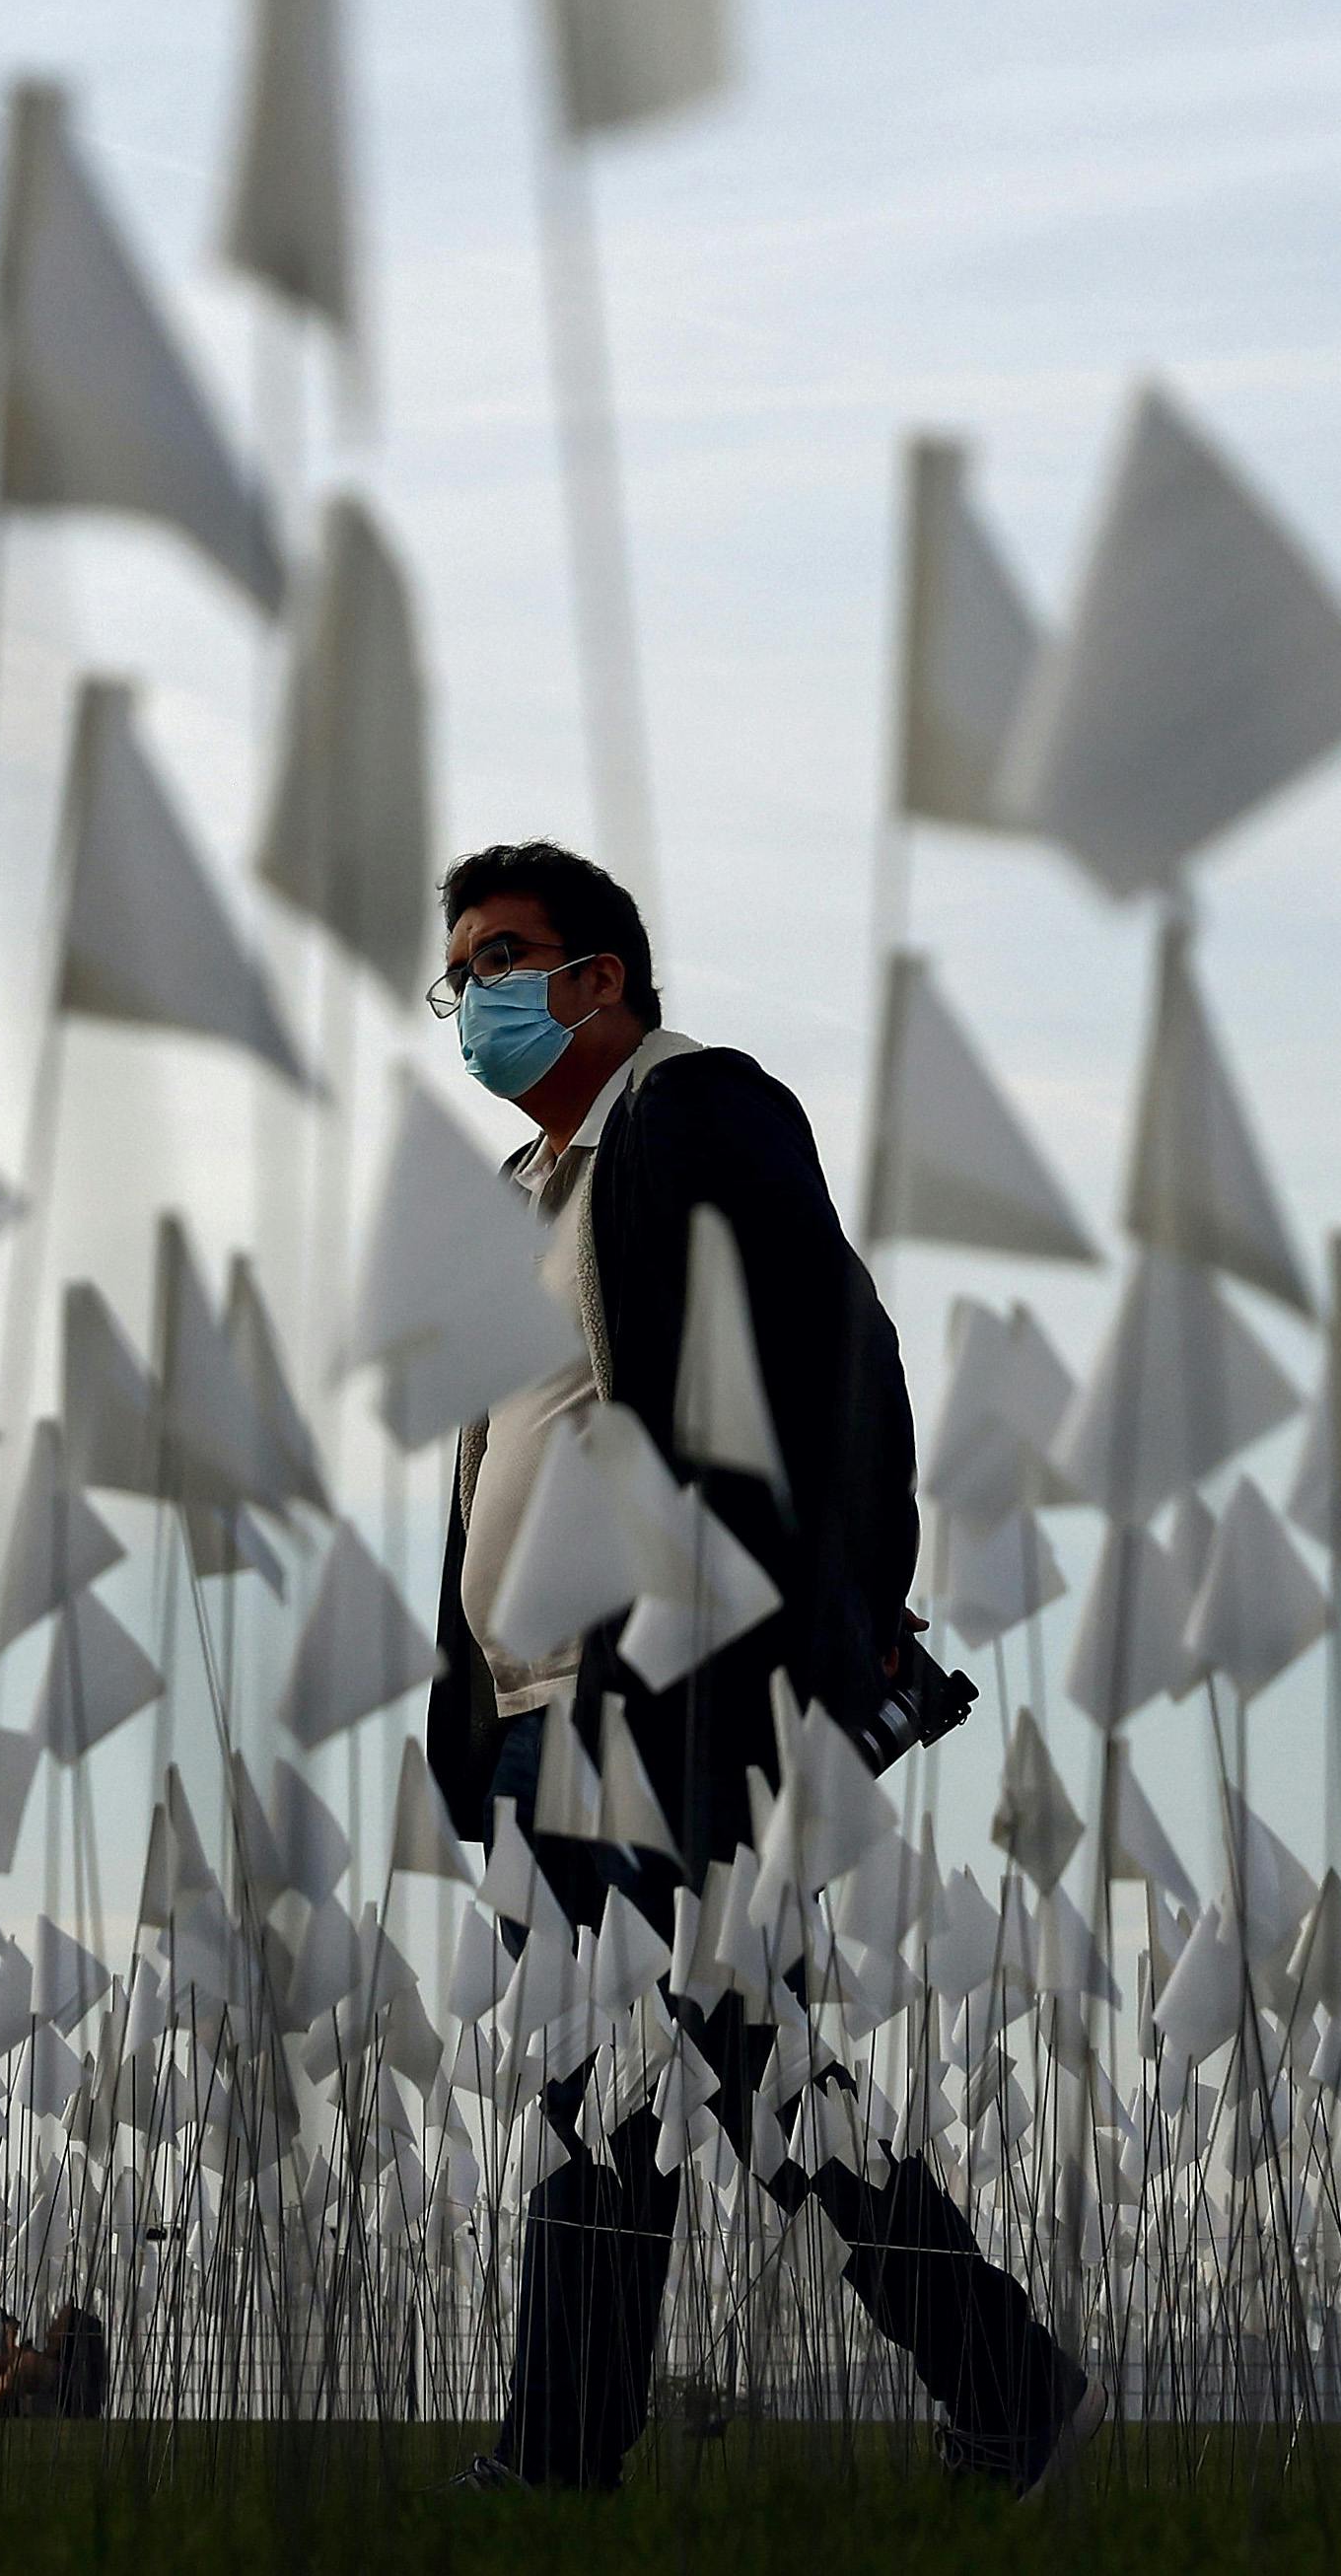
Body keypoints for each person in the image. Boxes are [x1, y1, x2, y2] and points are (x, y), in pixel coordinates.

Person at [412, 841, 1093, 2497]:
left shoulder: (700, 1109)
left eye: (505, 957)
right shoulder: (519, 1197)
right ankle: (582, 2441)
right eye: (460, 973)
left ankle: (986, 2377)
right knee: (633, 2070)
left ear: (602, 976)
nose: (477, 998)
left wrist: (840, 1605)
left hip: (660, 1691)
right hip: (527, 1712)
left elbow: (834, 1351)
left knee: (724, 2046)